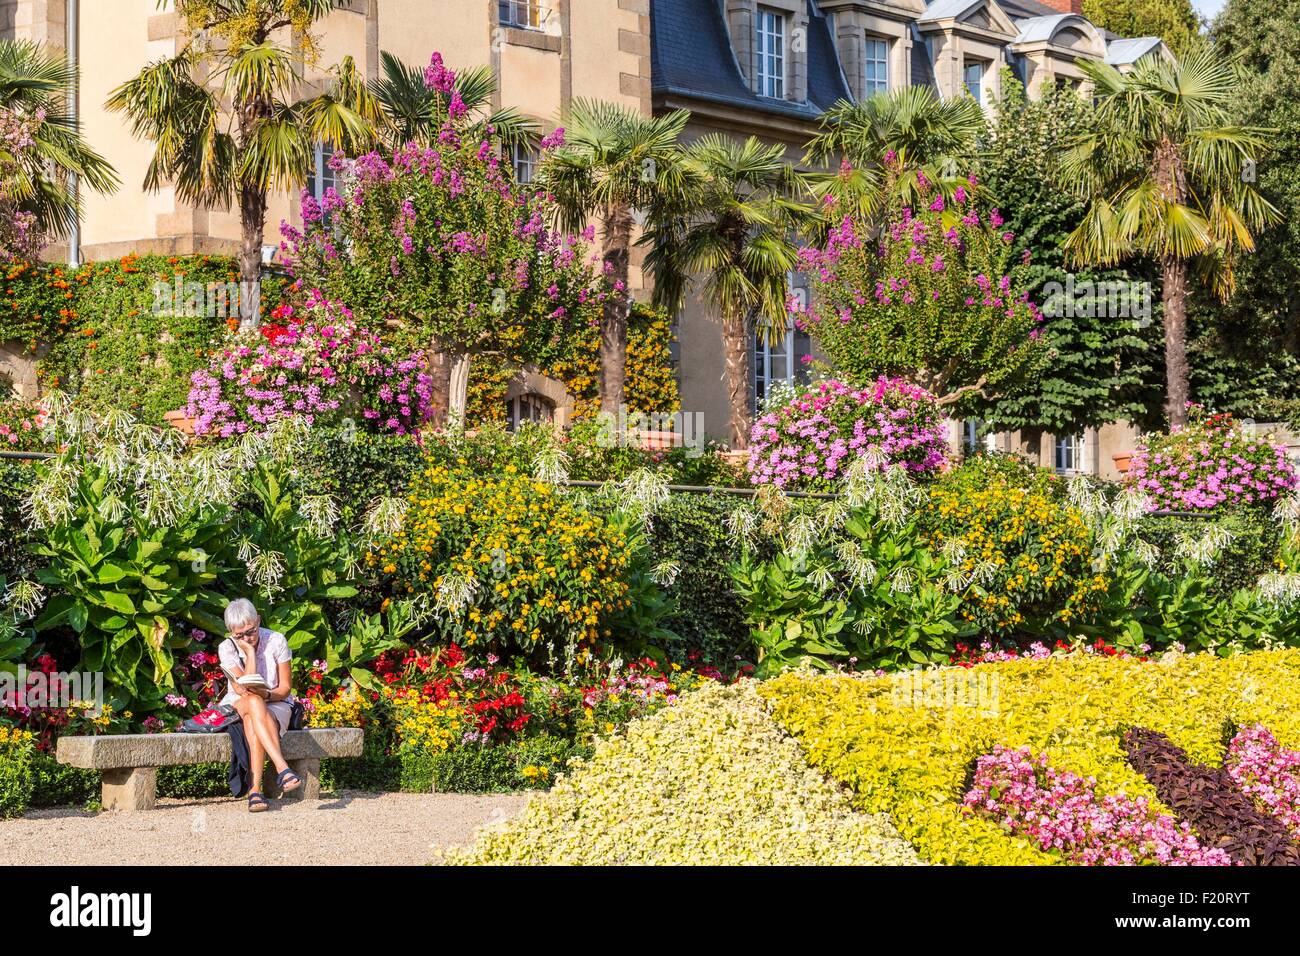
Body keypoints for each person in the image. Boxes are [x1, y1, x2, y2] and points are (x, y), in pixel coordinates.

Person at [218, 598, 301, 812]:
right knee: (252, 701)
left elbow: (285, 689)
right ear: (230, 632)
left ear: (259, 620)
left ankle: (255, 791)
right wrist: (250, 652)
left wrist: (265, 695)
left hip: (275, 701)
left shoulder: (276, 640)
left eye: (251, 631)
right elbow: (242, 689)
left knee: (254, 715)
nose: (247, 638)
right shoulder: (226, 648)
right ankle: (282, 768)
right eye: (240, 635)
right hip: (239, 702)